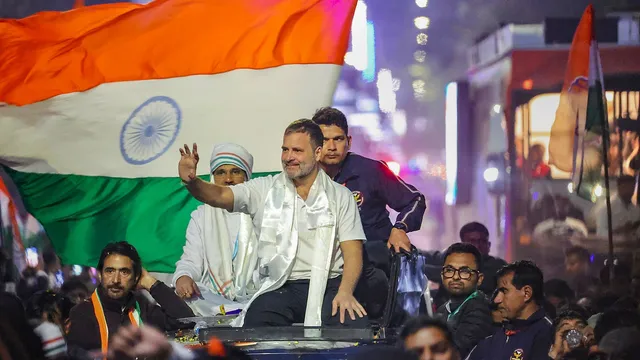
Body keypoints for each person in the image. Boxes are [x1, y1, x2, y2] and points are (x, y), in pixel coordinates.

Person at [178, 119, 368, 327]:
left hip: (329, 285)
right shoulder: (264, 189)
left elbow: (352, 253)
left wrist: (345, 292)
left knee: (354, 327)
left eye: (297, 150)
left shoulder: (341, 196)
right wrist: (192, 182)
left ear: (317, 153)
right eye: (285, 150)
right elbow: (220, 195)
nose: (288, 157)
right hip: (281, 285)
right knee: (257, 320)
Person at [312, 107, 426, 274]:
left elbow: (415, 200)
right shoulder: (305, 177)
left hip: (374, 261)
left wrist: (400, 228)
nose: (331, 147)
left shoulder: (371, 170)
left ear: (348, 142)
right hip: (323, 264)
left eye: (338, 139)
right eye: (324, 140)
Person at [172, 143, 258, 314]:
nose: (228, 179)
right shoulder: (201, 216)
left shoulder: (261, 211)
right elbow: (191, 260)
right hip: (213, 297)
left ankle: (241, 310)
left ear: (246, 177)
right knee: (191, 295)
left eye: (235, 171)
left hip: (255, 294)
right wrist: (183, 277)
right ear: (212, 177)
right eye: (220, 172)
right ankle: (238, 312)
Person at [66, 241, 194, 355]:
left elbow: (186, 321)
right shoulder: (82, 312)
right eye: (110, 271)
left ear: (136, 277)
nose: (116, 280)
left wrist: (151, 283)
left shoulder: (141, 307)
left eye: (124, 272)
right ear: (100, 275)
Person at [466, 261, 554, 360]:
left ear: (526, 293)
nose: (496, 299)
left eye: (504, 291)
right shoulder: (492, 338)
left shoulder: (549, 337)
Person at [436, 243, 492, 358]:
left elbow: (455, 352)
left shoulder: (480, 309)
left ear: (479, 279)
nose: (456, 277)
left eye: (465, 271)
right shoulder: (444, 308)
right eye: (450, 270)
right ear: (442, 275)